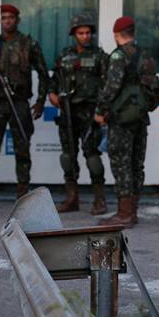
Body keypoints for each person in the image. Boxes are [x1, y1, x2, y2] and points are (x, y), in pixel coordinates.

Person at [0, 4, 50, 207]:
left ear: (17, 20)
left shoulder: (28, 44)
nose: (7, 21)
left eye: (11, 17)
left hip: (19, 103)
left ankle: (22, 196)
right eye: (4, 17)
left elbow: (42, 72)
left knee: (22, 149)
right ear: (0, 20)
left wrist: (40, 101)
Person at [95, 16, 159, 228]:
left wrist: (100, 111)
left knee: (121, 163)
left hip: (121, 119)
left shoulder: (117, 56)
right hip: (141, 118)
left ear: (117, 35)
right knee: (136, 164)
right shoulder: (145, 55)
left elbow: (111, 87)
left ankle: (124, 214)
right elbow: (154, 89)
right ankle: (132, 211)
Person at [49, 12, 109, 215]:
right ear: (74, 34)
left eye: (87, 32)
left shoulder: (100, 57)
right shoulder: (65, 55)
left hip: (90, 112)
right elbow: (54, 80)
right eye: (80, 33)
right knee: (67, 156)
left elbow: (108, 85)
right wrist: (52, 94)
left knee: (92, 156)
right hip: (67, 111)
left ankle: (99, 200)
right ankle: (72, 198)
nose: (85, 36)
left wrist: (102, 111)